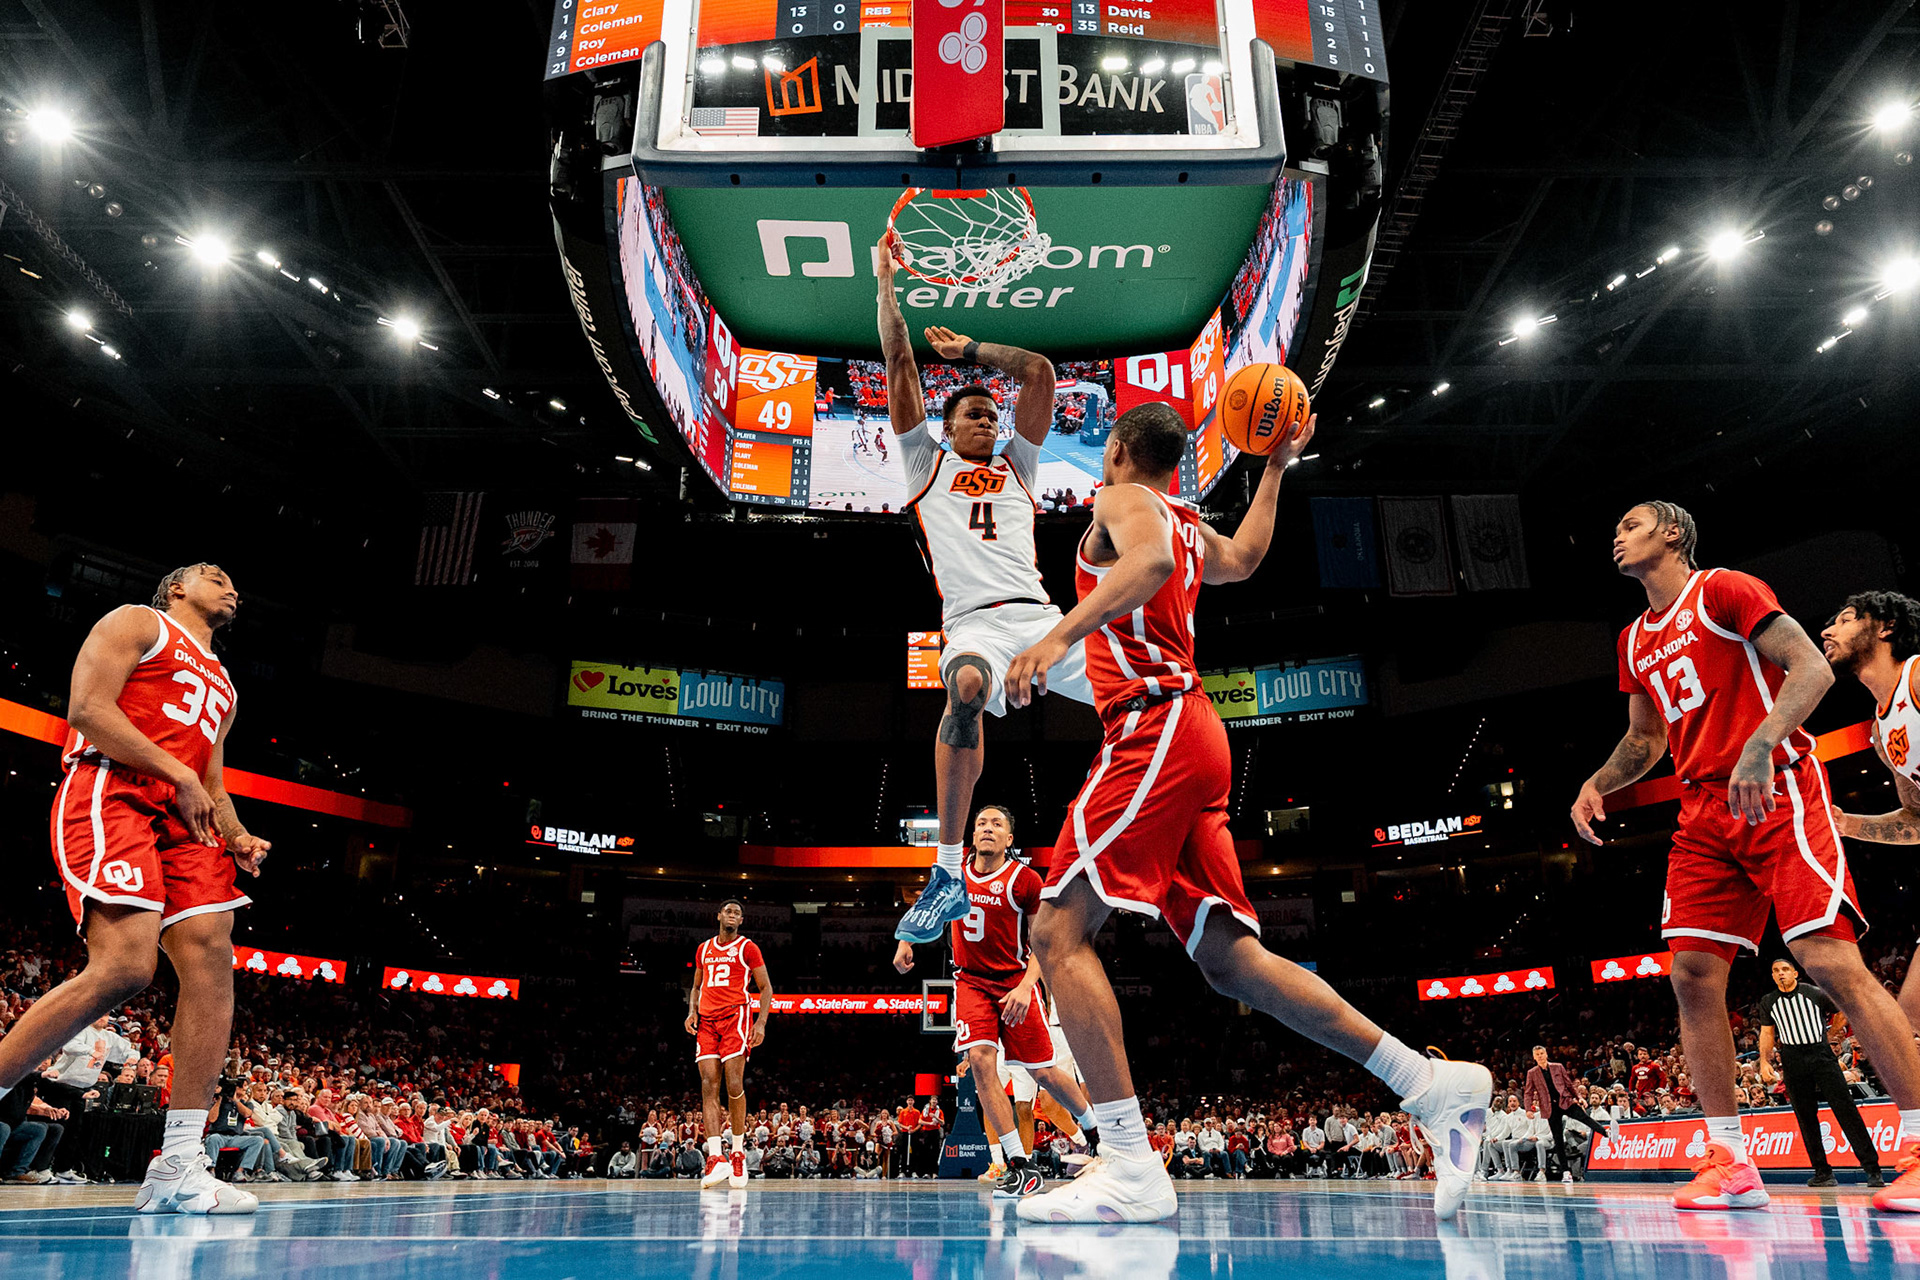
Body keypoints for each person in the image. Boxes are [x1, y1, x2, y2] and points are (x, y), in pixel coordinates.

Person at [1001, 402, 1491, 1223]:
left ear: (1118, 453)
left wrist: (1059, 636)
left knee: (1054, 931)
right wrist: (1273, 466)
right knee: (1230, 962)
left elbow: (1149, 562)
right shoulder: (1189, 519)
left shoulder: (1124, 506)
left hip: (1152, 727)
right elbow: (1245, 559)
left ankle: (1128, 1163)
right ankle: (1431, 1084)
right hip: (1194, 740)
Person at [1570, 501, 1920, 1214]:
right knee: (1692, 976)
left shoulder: (1726, 588)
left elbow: (1812, 672)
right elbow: (1647, 741)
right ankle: (1731, 1160)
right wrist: (1597, 783)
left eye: (1632, 523)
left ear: (1673, 533)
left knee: (1828, 961)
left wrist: (1760, 744)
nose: (1618, 532)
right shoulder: (1635, 638)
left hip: (1779, 787)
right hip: (1703, 812)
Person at [0, 565, 268, 1215]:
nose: (232, 586)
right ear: (177, 587)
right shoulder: (138, 623)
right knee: (126, 969)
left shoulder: (224, 684)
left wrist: (236, 834)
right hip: (112, 789)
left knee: (211, 949)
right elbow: (88, 710)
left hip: (185, 813)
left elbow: (212, 778)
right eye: (216, 575)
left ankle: (178, 1162)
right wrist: (176, 772)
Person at [875, 240, 1095, 948]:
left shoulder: (1018, 464)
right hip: (973, 624)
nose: (988, 423)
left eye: (991, 419)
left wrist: (972, 348)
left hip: (1045, 622)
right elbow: (900, 361)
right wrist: (886, 284)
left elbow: (1040, 372)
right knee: (964, 685)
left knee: (1152, 691)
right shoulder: (924, 465)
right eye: (973, 416)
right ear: (946, 429)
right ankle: (946, 869)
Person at [893, 805, 1099, 1199]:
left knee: (1045, 1074)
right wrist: (906, 943)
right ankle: (1020, 1165)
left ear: (1009, 839)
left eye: (997, 824)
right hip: (969, 983)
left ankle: (1095, 1135)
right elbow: (924, 913)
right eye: (981, 823)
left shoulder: (1025, 880)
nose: (987, 828)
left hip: (1014, 984)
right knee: (983, 1066)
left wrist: (1026, 987)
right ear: (972, 836)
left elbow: (1045, 941)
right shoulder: (952, 877)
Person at [1821, 591, 1920, 1027]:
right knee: (1911, 1017)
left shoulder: (1917, 677)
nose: (1827, 630)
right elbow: (1916, 823)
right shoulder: (1882, 732)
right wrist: (1846, 823)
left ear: (1885, 628)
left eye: (1844, 619)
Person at [1756, 957, 1885, 1188]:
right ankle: (1822, 1172)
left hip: (1820, 1053)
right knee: (1805, 1117)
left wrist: (1833, 1033)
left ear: (1795, 974)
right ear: (1773, 976)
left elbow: (1842, 1010)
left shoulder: (1813, 993)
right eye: (1776, 971)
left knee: (1845, 1109)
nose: (1781, 973)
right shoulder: (1768, 1001)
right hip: (1792, 1058)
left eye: (1785, 969)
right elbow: (1767, 1033)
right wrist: (1764, 1061)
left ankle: (1872, 1169)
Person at [685, 899, 773, 1191]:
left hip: (736, 1016)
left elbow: (765, 987)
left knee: (734, 1084)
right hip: (707, 1021)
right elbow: (697, 985)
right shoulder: (703, 949)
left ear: (741, 921)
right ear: (719, 916)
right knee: (708, 1085)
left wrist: (760, 1023)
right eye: (729, 911)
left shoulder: (748, 948)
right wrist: (692, 1011)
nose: (732, 915)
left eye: (738, 912)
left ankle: (737, 1151)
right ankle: (716, 1157)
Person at [1524, 1045, 1621, 1178]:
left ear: (1546, 1054)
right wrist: (1528, 1109)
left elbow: (1569, 1084)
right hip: (1550, 1107)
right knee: (1558, 1139)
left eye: (1542, 1053)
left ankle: (1606, 1132)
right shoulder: (1532, 1073)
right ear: (1534, 1057)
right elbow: (1528, 1092)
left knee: (1583, 1117)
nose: (1540, 1056)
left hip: (1565, 1101)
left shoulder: (1557, 1067)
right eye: (1537, 1054)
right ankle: (1566, 1172)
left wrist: (1579, 1098)